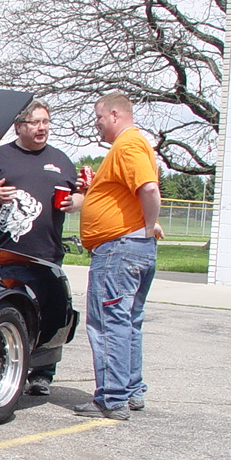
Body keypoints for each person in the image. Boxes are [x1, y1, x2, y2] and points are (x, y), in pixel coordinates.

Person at [0, 100, 81, 395]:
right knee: (6, 315)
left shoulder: (60, 159)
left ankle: (42, 374)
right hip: (4, 256)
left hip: (47, 255)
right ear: (19, 126)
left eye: (46, 122)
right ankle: (1, 367)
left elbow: (81, 195)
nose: (42, 128)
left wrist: (75, 202)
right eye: (35, 122)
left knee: (49, 315)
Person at [73, 91, 164, 421]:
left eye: (99, 117)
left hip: (118, 251)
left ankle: (111, 398)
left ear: (114, 115)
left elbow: (149, 188)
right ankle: (131, 390)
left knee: (108, 322)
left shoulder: (128, 144)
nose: (97, 124)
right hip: (130, 249)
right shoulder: (132, 145)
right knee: (128, 321)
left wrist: (149, 225)